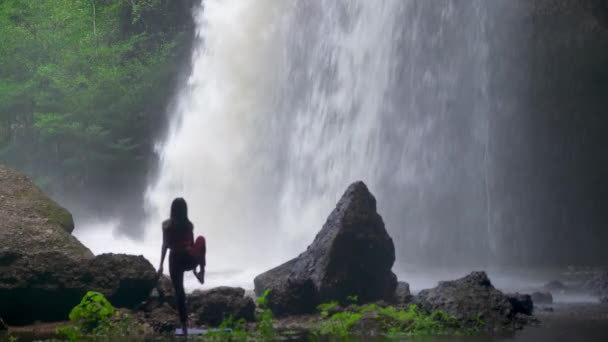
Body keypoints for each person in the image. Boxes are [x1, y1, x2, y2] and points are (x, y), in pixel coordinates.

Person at [157, 197, 206, 336]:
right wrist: (196, 267)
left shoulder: (166, 226)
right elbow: (192, 244)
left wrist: (160, 265)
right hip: (188, 259)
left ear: (172, 210)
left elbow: (165, 245)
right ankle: (201, 273)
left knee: (180, 293)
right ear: (185, 210)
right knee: (201, 241)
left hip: (175, 260)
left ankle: (184, 328)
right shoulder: (188, 225)